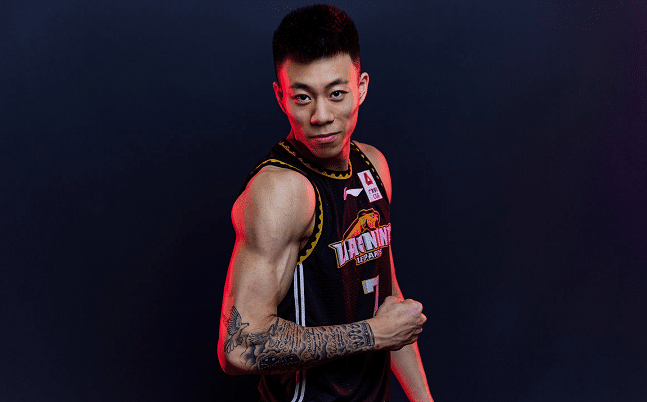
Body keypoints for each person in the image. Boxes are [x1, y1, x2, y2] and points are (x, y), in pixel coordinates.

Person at [218, 4, 433, 401]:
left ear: (361, 87)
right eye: (302, 97)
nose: (321, 116)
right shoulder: (282, 190)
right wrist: (372, 334)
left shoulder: (373, 166)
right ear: (281, 97)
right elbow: (239, 347)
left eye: (336, 94)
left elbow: (387, 300)